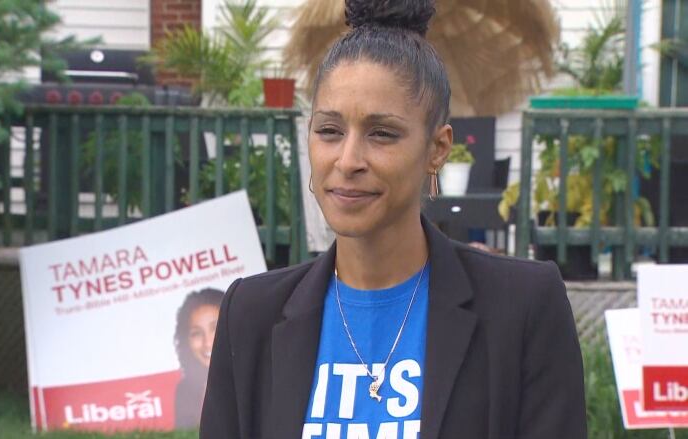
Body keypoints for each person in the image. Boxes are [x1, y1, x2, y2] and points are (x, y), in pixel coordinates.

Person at [200, 0, 587, 437]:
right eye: (329, 130)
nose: (347, 160)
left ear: (438, 149)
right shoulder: (251, 315)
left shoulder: (522, 307)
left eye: (381, 133)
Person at [173, 288, 223, 430]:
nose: (207, 342)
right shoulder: (185, 390)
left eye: (216, 328)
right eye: (196, 333)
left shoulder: (255, 376)